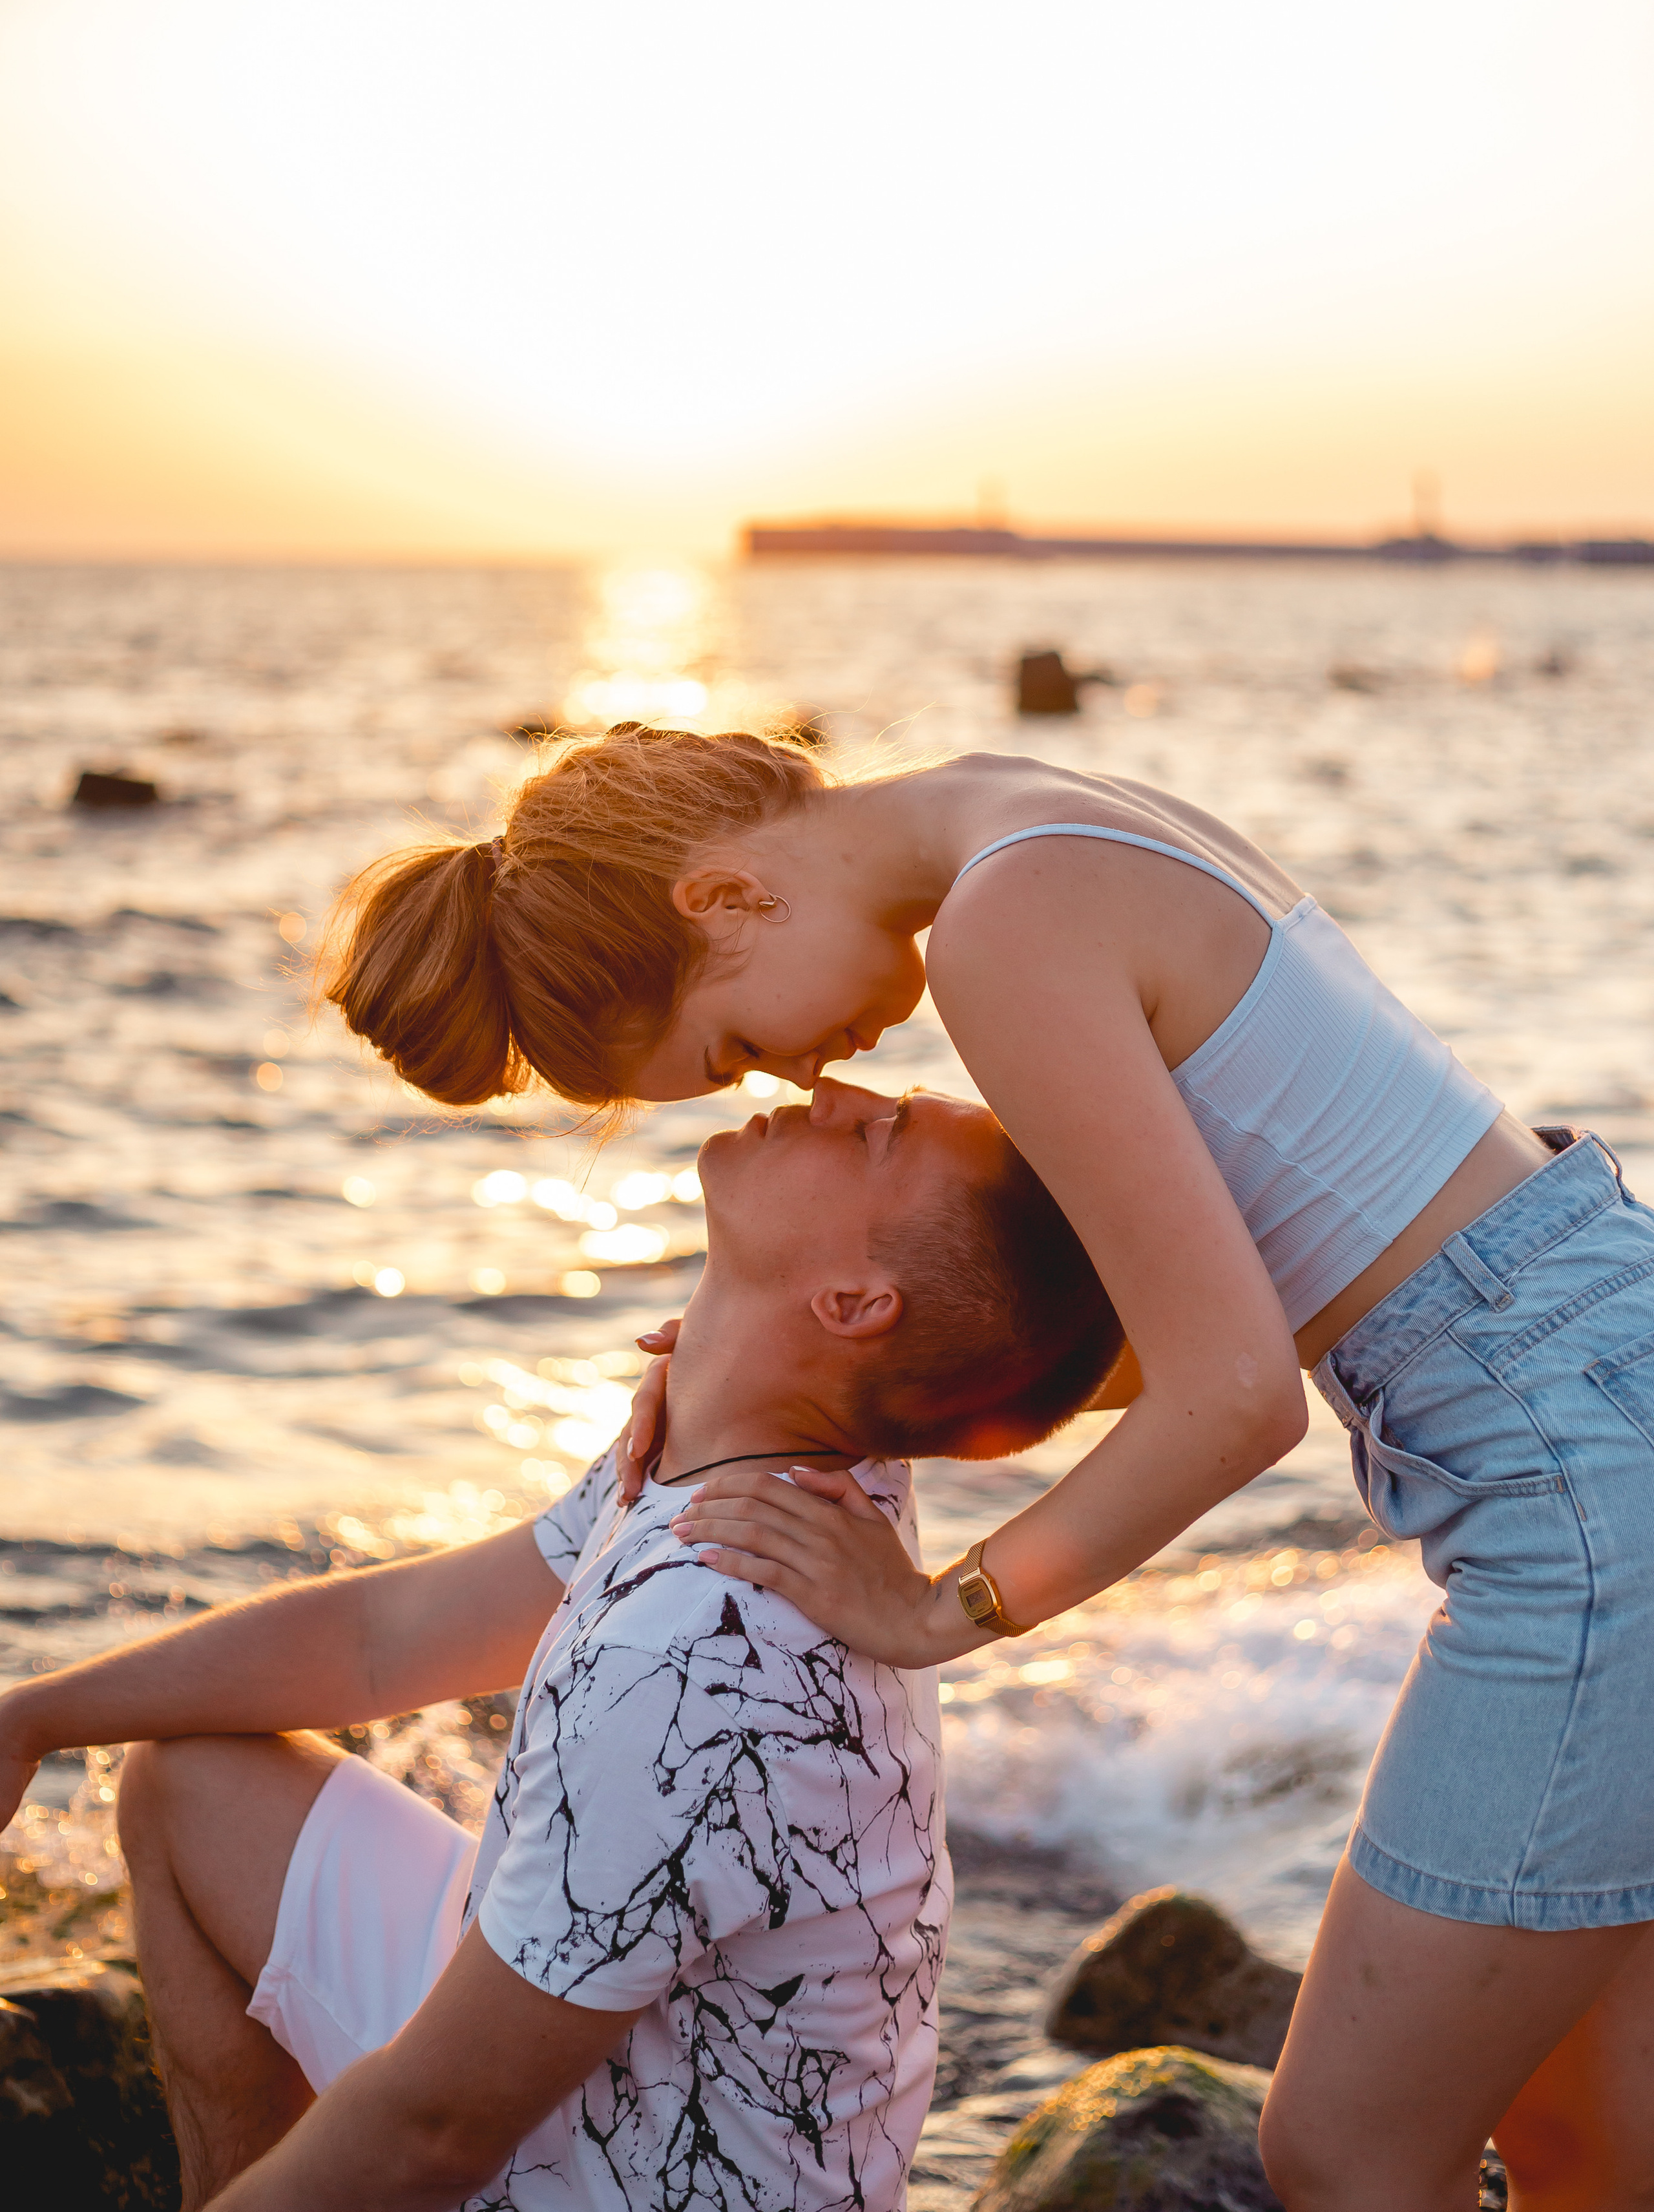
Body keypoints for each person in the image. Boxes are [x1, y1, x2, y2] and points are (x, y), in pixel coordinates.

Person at [324, 724, 1654, 2211]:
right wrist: (751, 1373)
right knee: (1582, 2136)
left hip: (1579, 1498)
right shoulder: (1043, 813)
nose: (802, 1072)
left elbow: (1231, 1401)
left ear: (721, 901)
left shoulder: (1004, 925)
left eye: (740, 1046)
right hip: (1603, 1390)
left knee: (1346, 2156)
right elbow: (1267, 1287)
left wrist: (933, 1614)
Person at [0, 1074, 1120, 2212]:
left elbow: (433, 2134)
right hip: (593, 2061)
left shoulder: (697, 1657)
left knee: (398, 2117)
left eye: (878, 1135)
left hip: (615, 2185)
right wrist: (31, 1716)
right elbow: (388, 1641)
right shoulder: (766, 1460)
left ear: (851, 1302)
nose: (833, 1089)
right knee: (185, 1774)